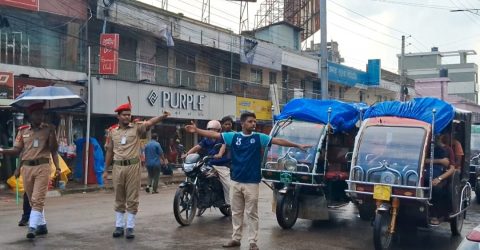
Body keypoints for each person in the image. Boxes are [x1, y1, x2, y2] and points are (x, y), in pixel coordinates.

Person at [185, 112, 310, 250]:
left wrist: (297, 145)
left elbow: (277, 141)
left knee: (252, 213)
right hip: (236, 181)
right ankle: (236, 239)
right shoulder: (234, 137)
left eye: (254, 121)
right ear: (243, 123)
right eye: (250, 121)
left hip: (251, 182)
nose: (254, 124)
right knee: (236, 212)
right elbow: (214, 135)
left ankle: (252, 242)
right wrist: (196, 130)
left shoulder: (259, 138)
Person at [103, 100, 170, 239]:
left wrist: (162, 117)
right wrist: (105, 170)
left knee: (132, 196)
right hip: (117, 166)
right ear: (118, 116)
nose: (127, 117)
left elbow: (150, 123)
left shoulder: (137, 128)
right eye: (124, 115)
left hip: (133, 166)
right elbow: (109, 152)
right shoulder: (112, 132)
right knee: (119, 196)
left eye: (129, 114)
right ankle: (119, 226)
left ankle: (130, 227)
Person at [0, 102, 60, 239]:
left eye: (42, 113)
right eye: (37, 114)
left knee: (37, 198)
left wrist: (52, 132)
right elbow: (18, 150)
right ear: (30, 115)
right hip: (26, 168)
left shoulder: (48, 129)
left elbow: (54, 149)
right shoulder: (23, 131)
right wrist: (4, 151)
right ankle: (42, 226)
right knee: (32, 200)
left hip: (43, 167)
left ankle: (32, 227)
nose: (40, 116)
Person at [186, 120, 231, 209]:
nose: (211, 131)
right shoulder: (206, 139)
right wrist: (187, 154)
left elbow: (223, 147)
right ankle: (202, 196)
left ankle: (229, 202)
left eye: (214, 130)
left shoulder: (222, 138)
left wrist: (219, 154)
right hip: (209, 163)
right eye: (210, 129)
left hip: (221, 164)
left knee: (227, 183)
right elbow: (197, 147)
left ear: (218, 130)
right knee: (198, 174)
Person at [424, 134, 456, 225]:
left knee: (436, 189)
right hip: (426, 173)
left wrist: (439, 178)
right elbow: (423, 160)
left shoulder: (448, 149)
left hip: (441, 176)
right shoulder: (426, 147)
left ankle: (435, 215)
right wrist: (440, 161)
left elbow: (452, 168)